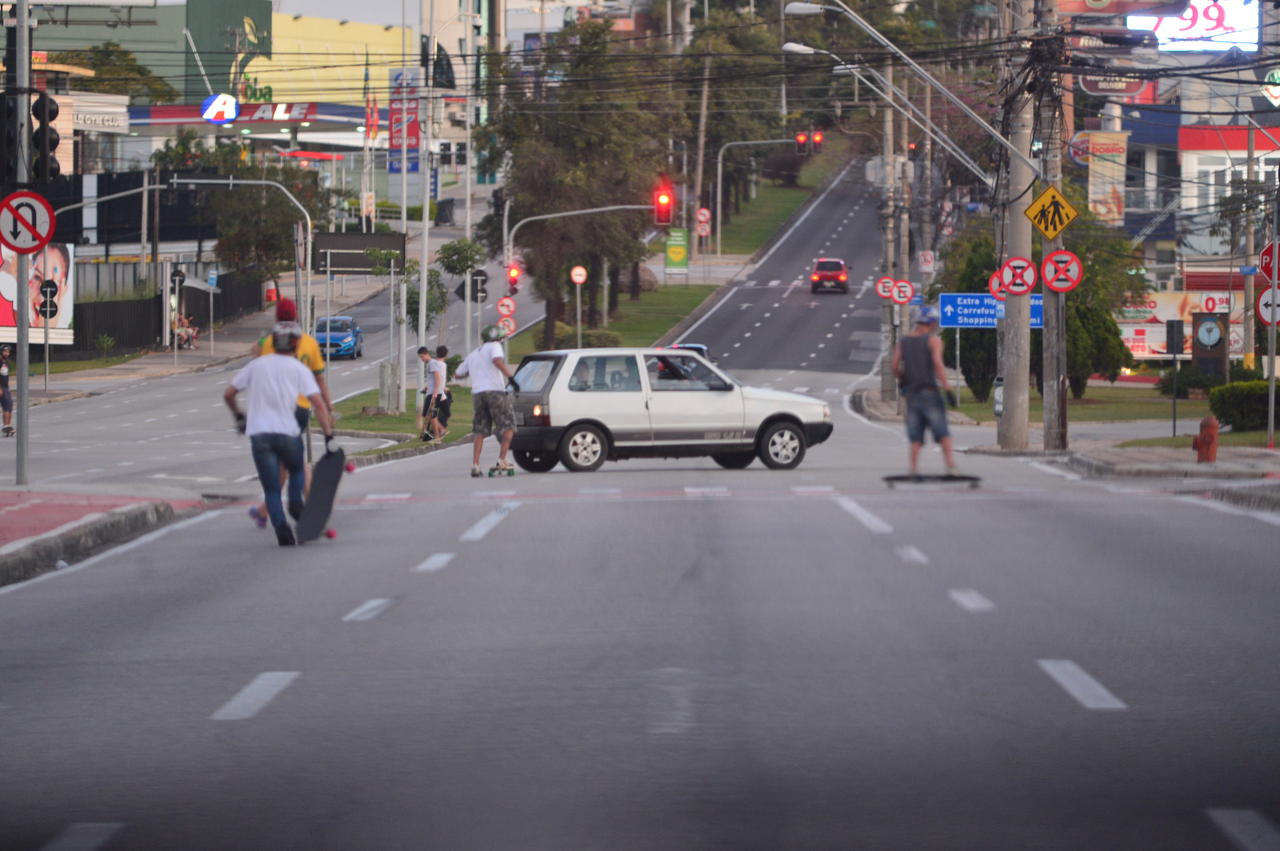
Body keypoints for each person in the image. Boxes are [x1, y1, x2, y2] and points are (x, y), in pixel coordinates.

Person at [224, 322, 336, 546]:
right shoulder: (298, 369)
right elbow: (318, 404)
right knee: (296, 470)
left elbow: (229, 393)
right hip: (288, 433)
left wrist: (239, 416)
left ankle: (281, 528)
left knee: (272, 488)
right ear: (295, 344)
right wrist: (328, 435)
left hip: (260, 437)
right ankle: (295, 502)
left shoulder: (256, 366)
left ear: (273, 342)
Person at [247, 298, 331, 527]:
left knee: (291, 463)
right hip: (301, 407)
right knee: (293, 461)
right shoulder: (309, 343)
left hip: (276, 409)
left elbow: (254, 353)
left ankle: (298, 509)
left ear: (276, 318)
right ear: (295, 317)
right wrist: (328, 407)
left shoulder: (269, 342)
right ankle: (268, 509)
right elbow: (320, 380)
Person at [891, 305, 959, 477]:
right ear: (931, 322)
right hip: (929, 392)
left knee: (915, 435)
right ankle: (950, 466)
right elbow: (937, 364)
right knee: (942, 431)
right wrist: (948, 388)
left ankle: (913, 469)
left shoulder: (904, 341)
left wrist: (903, 379)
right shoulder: (933, 340)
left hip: (911, 394)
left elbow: (894, 366)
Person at [455, 325, 517, 477]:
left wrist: (476, 370)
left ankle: (475, 465)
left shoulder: (474, 354)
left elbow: (458, 374)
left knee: (480, 430)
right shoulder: (495, 346)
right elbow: (497, 361)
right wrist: (511, 378)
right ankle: (502, 459)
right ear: (498, 338)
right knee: (508, 426)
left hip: (478, 394)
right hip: (495, 391)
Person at [417, 345, 451, 443]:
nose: (422, 359)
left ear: (426, 354)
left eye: (422, 357)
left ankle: (437, 437)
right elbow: (432, 379)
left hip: (434, 393)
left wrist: (435, 392)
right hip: (432, 392)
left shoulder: (432, 363)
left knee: (432, 415)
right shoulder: (431, 364)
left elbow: (437, 378)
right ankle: (441, 431)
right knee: (428, 415)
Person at [0, 345, 12, 437]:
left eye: (8, 352)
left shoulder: (5, 362)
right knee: (6, 406)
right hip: (2, 388)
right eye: (5, 351)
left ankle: (7, 426)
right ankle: (6, 426)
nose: (6, 353)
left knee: (8, 406)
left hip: (6, 387)